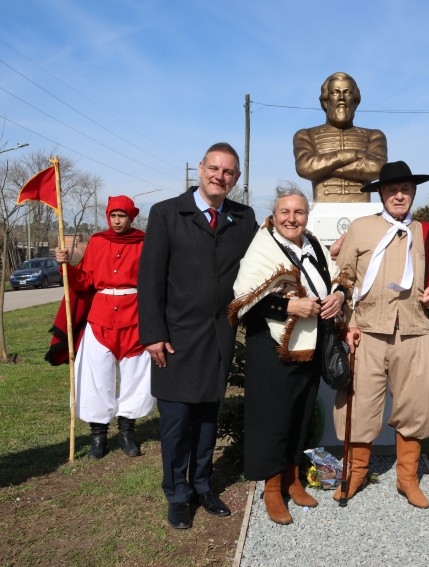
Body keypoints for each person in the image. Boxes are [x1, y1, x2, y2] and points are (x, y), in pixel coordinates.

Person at [137, 142, 257, 530]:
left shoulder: (243, 217)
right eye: (214, 168)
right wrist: (153, 334)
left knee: (207, 419)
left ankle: (202, 484)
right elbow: (150, 279)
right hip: (174, 339)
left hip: (218, 337)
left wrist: (322, 248)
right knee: (175, 424)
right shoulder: (167, 213)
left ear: (235, 179)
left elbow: (268, 257)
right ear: (200, 169)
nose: (220, 177)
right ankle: (176, 493)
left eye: (228, 172)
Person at [333, 161, 429, 508]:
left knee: (417, 404)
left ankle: (407, 477)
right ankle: (356, 472)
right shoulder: (360, 229)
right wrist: (349, 323)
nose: (398, 195)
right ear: (381, 194)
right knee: (359, 404)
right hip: (368, 331)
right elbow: (343, 280)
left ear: (413, 192)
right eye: (391, 190)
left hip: (415, 331)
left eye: (405, 189)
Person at [228, 184, 347, 524]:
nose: (291, 218)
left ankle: (293, 479)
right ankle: (271, 488)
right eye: (285, 212)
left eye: (298, 212)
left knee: (301, 414)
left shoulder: (313, 244)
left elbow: (336, 278)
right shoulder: (263, 247)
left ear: (307, 216)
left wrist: (338, 295)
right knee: (272, 420)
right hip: (272, 347)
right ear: (274, 214)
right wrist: (291, 304)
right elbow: (244, 300)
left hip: (308, 346)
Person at [48, 195, 155, 459]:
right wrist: (66, 266)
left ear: (131, 217)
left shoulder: (144, 242)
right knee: (96, 376)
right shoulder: (97, 241)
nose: (117, 221)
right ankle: (98, 437)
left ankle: (127, 432)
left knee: (137, 376)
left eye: (122, 216)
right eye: (113, 215)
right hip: (100, 317)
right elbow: (85, 280)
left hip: (135, 315)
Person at [293, 71, 387, 203]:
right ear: (325, 101)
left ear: (355, 101)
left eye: (347, 92)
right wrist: (352, 154)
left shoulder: (374, 135)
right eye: (335, 92)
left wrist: (321, 168)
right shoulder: (305, 135)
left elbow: (378, 168)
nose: (341, 97)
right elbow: (304, 167)